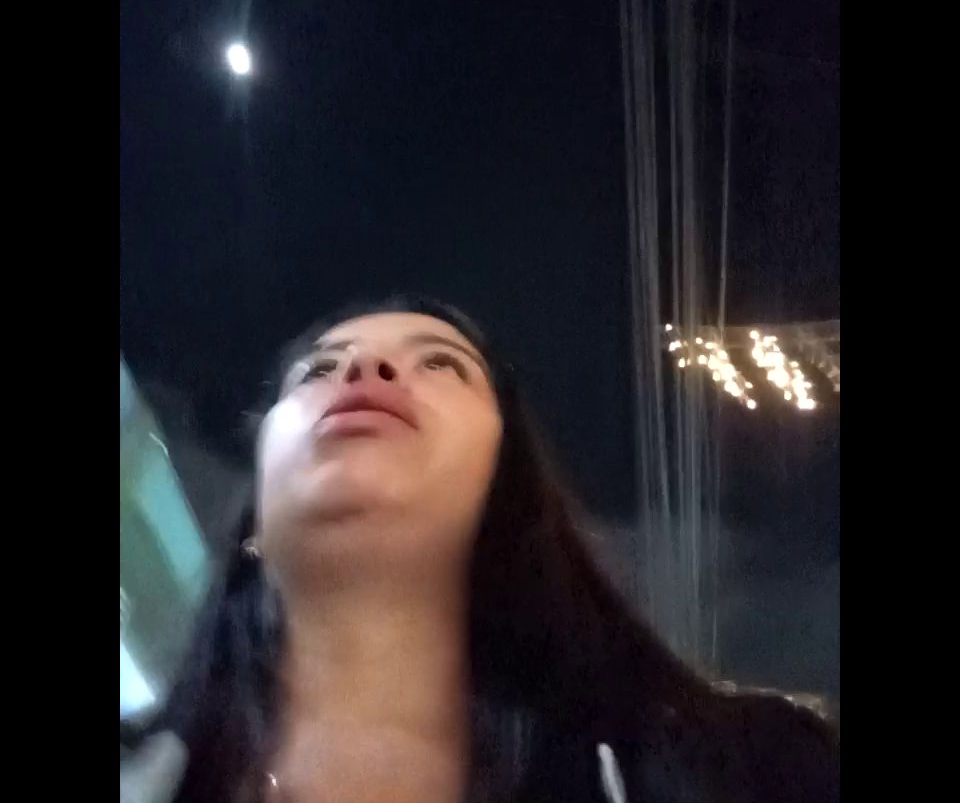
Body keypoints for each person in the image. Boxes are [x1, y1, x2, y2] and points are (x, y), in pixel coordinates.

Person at [127, 295, 839, 803]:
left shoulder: (750, 773)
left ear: (510, 485)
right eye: (318, 370)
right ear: (256, 517)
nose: (364, 370)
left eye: (440, 364)